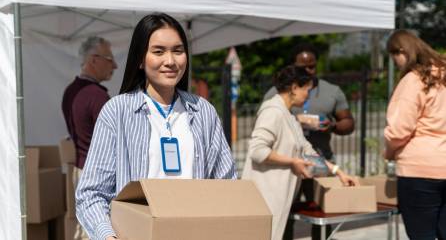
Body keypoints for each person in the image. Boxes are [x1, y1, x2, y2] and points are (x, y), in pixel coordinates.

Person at [75, 13, 237, 240]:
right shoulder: (118, 112)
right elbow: (91, 194)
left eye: (178, 51)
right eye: (159, 51)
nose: (170, 61)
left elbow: (226, 183)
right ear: (140, 59)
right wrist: (107, 236)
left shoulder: (204, 112)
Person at [242, 65, 357, 240]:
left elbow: (307, 151)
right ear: (294, 88)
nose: (308, 96)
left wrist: (337, 171)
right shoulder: (272, 112)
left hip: (277, 198)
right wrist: (292, 162)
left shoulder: (288, 117)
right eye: (307, 91)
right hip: (265, 198)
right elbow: (257, 151)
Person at [384, 29, 446, 240]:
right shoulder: (443, 76)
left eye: (394, 58)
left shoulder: (413, 80)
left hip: (419, 170)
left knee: (422, 235)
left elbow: (399, 130)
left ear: (401, 51)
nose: (396, 63)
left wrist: (389, 151)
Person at [62, 36, 117, 240]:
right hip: (95, 176)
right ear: (94, 60)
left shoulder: (70, 91)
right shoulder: (96, 96)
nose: (115, 65)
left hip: (79, 169)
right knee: (93, 230)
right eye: (110, 59)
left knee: (83, 227)